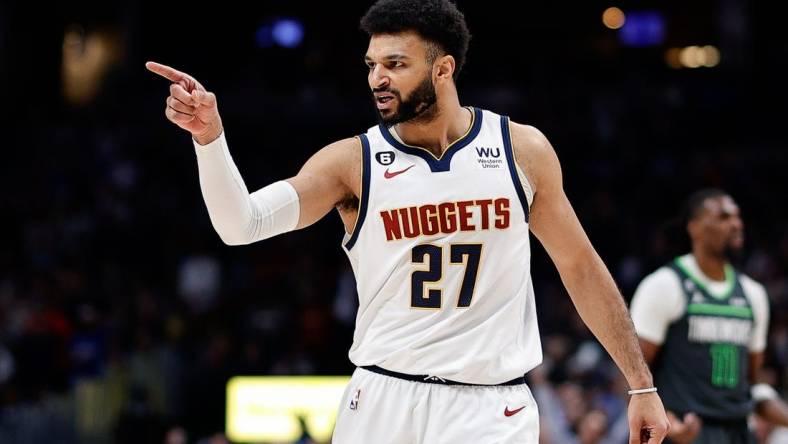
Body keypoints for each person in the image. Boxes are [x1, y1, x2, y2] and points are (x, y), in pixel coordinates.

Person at [147, 0, 669, 442]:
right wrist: (209, 140)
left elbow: (579, 264)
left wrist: (639, 384)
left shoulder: (521, 150)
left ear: (443, 69)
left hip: (491, 406)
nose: (377, 78)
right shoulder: (352, 162)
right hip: (382, 397)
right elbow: (242, 225)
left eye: (395, 64)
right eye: (372, 64)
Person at [630, 189, 788, 443]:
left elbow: (751, 385)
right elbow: (631, 374)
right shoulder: (664, 285)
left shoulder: (754, 294)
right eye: (723, 217)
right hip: (683, 431)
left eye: (737, 217)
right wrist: (665, 419)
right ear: (695, 228)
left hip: (738, 432)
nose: (736, 224)